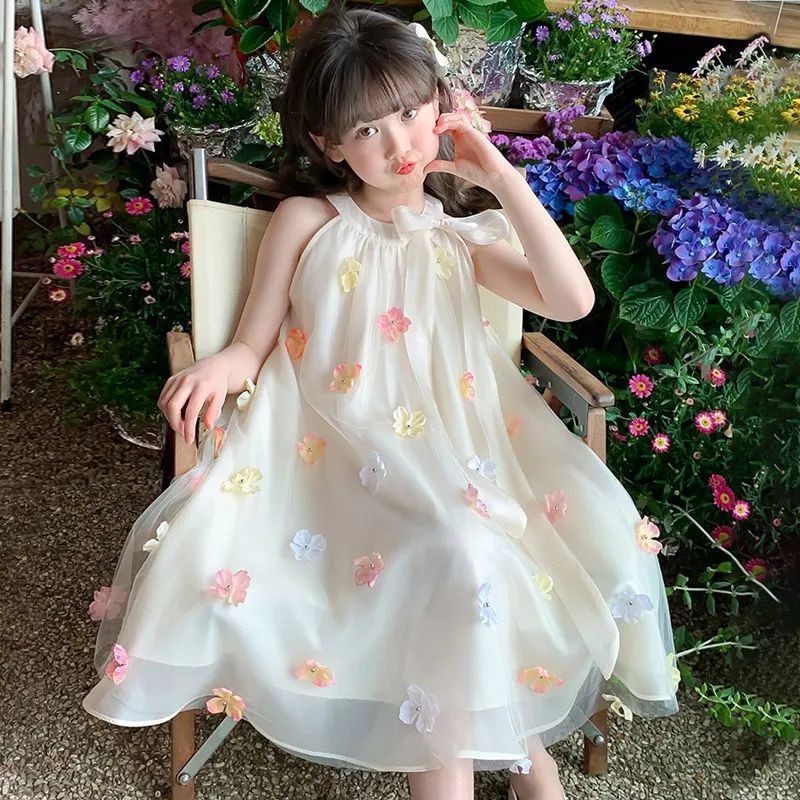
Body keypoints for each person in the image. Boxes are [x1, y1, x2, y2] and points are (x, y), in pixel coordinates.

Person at [83, 6, 679, 800]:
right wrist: (218, 365)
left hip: (461, 454)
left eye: (410, 111)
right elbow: (252, 341)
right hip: (333, 457)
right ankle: (524, 759)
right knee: (456, 549)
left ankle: (503, 756)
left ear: (443, 105)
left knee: (472, 547)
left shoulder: (461, 235)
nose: (400, 143)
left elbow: (570, 301)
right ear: (329, 143)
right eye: (367, 129)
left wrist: (499, 177)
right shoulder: (307, 220)